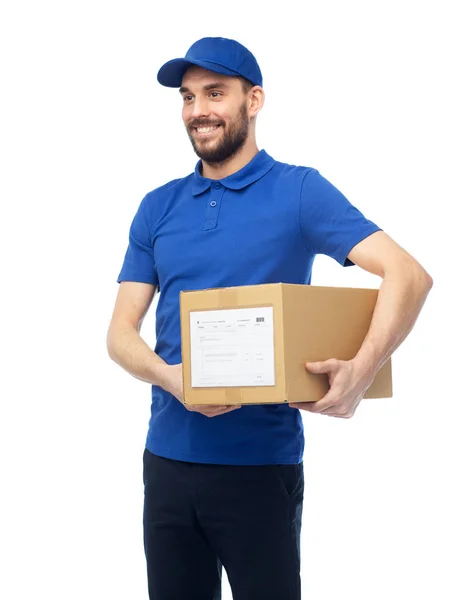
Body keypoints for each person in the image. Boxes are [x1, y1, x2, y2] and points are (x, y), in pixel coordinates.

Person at [106, 36, 433, 600]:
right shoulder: (157, 205)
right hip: (165, 465)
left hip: (259, 468)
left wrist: (362, 369)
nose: (197, 111)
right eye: (187, 97)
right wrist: (173, 380)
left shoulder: (300, 191)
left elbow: (408, 275)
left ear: (253, 101)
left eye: (215, 93)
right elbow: (118, 334)